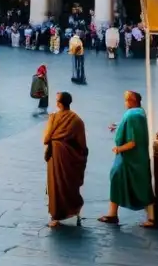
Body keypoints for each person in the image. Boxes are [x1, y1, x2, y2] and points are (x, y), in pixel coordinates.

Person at [100, 91, 155, 228]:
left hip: (130, 159)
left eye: (126, 100)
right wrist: (118, 127)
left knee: (133, 184)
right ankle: (113, 213)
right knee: (134, 183)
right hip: (136, 158)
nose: (125, 102)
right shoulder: (139, 113)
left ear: (132, 100)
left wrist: (119, 149)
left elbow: (132, 142)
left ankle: (151, 217)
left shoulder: (132, 115)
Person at [44, 92, 88, 227]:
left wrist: (50, 121)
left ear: (59, 103)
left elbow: (46, 139)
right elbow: (82, 145)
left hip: (56, 156)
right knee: (70, 185)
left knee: (56, 185)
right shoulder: (77, 120)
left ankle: (56, 216)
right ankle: (74, 210)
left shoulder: (54, 118)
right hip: (70, 158)